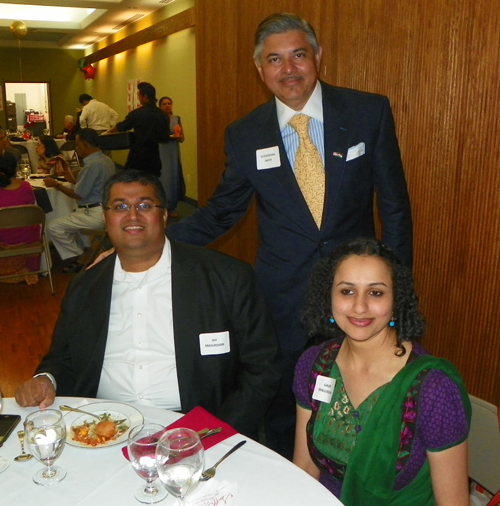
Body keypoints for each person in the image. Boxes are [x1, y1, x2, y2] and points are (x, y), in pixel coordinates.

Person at [167, 13, 413, 459]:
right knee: (284, 409)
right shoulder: (245, 135)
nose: (289, 69)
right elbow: (222, 211)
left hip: (355, 296)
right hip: (282, 300)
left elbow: (394, 207)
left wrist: (392, 287)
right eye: (274, 59)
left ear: (317, 56)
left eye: (298, 55)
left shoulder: (366, 112)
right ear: (260, 70)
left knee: (358, 400)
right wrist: (151, 244)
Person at [14, 170, 281, 439]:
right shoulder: (84, 287)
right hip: (102, 428)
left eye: (144, 205)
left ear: (164, 216)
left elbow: (263, 369)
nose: (132, 216)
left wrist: (214, 433)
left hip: (197, 429)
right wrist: (45, 379)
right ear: (106, 217)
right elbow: (62, 358)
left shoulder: (227, 278)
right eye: (119, 206)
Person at [293, 237, 470, 505]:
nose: (360, 307)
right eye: (346, 291)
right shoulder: (315, 365)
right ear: (328, 296)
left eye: (376, 292)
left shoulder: (432, 388)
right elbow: (305, 470)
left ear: (395, 300)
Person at [44, 128, 115, 273]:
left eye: (77, 144)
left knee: (53, 226)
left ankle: (83, 256)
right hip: (105, 209)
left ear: (84, 144)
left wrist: (56, 185)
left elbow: (78, 195)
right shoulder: (106, 160)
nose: (76, 148)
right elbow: (93, 187)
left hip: (94, 212)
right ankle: (87, 253)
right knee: (71, 218)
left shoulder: (92, 164)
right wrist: (72, 179)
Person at [108, 82, 170, 177]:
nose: (139, 98)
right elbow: (165, 138)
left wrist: (110, 131)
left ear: (145, 96)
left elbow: (123, 126)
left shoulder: (137, 114)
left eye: (139, 96)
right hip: (154, 157)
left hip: (138, 156)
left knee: (131, 181)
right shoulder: (162, 115)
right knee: (151, 184)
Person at [0, 152, 39, 285]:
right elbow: (31, 208)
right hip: (28, 237)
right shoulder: (25, 186)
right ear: (16, 168)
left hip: (4, 238)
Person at [158, 96, 185, 218]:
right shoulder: (157, 119)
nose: (167, 106)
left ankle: (172, 207)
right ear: (160, 106)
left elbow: (182, 137)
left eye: (169, 103)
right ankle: (161, 207)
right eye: (164, 104)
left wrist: (179, 137)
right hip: (161, 150)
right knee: (163, 177)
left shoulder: (176, 119)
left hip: (173, 152)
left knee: (173, 178)